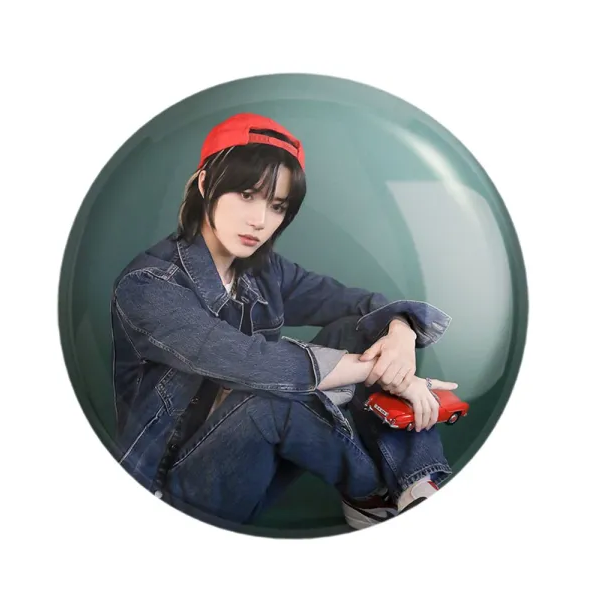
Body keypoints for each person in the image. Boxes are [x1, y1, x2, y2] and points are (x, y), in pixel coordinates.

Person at [110, 112, 457, 531]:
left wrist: (400, 335)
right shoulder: (148, 285)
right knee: (270, 395)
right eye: (246, 195)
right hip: (178, 490)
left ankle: (419, 484)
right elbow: (252, 363)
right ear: (205, 184)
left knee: (361, 328)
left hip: (258, 463)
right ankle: (370, 492)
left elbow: (363, 304)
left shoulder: (264, 271)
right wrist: (385, 374)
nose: (260, 220)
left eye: (276, 206)